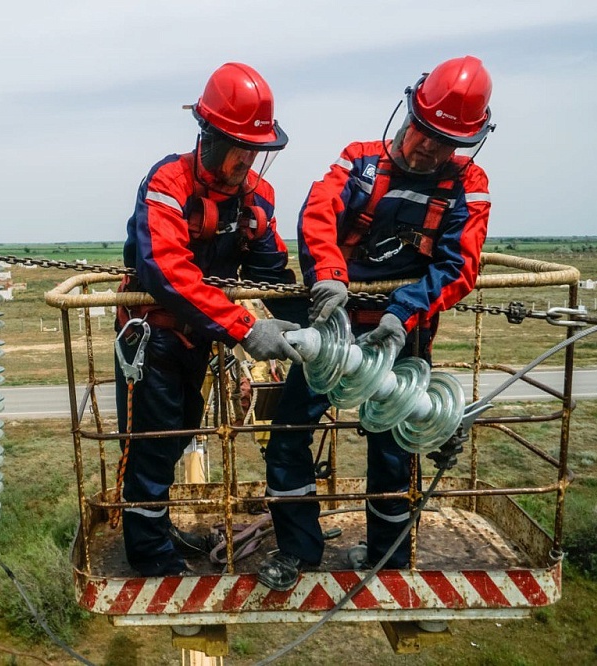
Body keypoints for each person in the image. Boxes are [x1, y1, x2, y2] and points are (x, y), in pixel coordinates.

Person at [257, 55, 495, 591]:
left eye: (444, 141)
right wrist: (331, 277)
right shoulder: (359, 162)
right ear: (408, 113)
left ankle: (388, 560)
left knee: (393, 450)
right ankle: (299, 549)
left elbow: (460, 265)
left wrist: (402, 310)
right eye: (424, 131)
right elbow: (319, 212)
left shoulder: (467, 185)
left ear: (465, 143)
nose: (428, 147)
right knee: (290, 435)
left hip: (400, 336)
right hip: (335, 333)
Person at [116, 62, 302, 577]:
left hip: (199, 336)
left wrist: (316, 320)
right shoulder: (167, 183)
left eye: (256, 151)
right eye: (238, 147)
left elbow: (270, 271)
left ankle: (155, 526)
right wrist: (246, 328)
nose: (247, 160)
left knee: (180, 431)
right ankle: (151, 555)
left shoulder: (256, 200)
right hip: (151, 339)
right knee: (152, 443)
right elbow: (166, 272)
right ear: (207, 135)